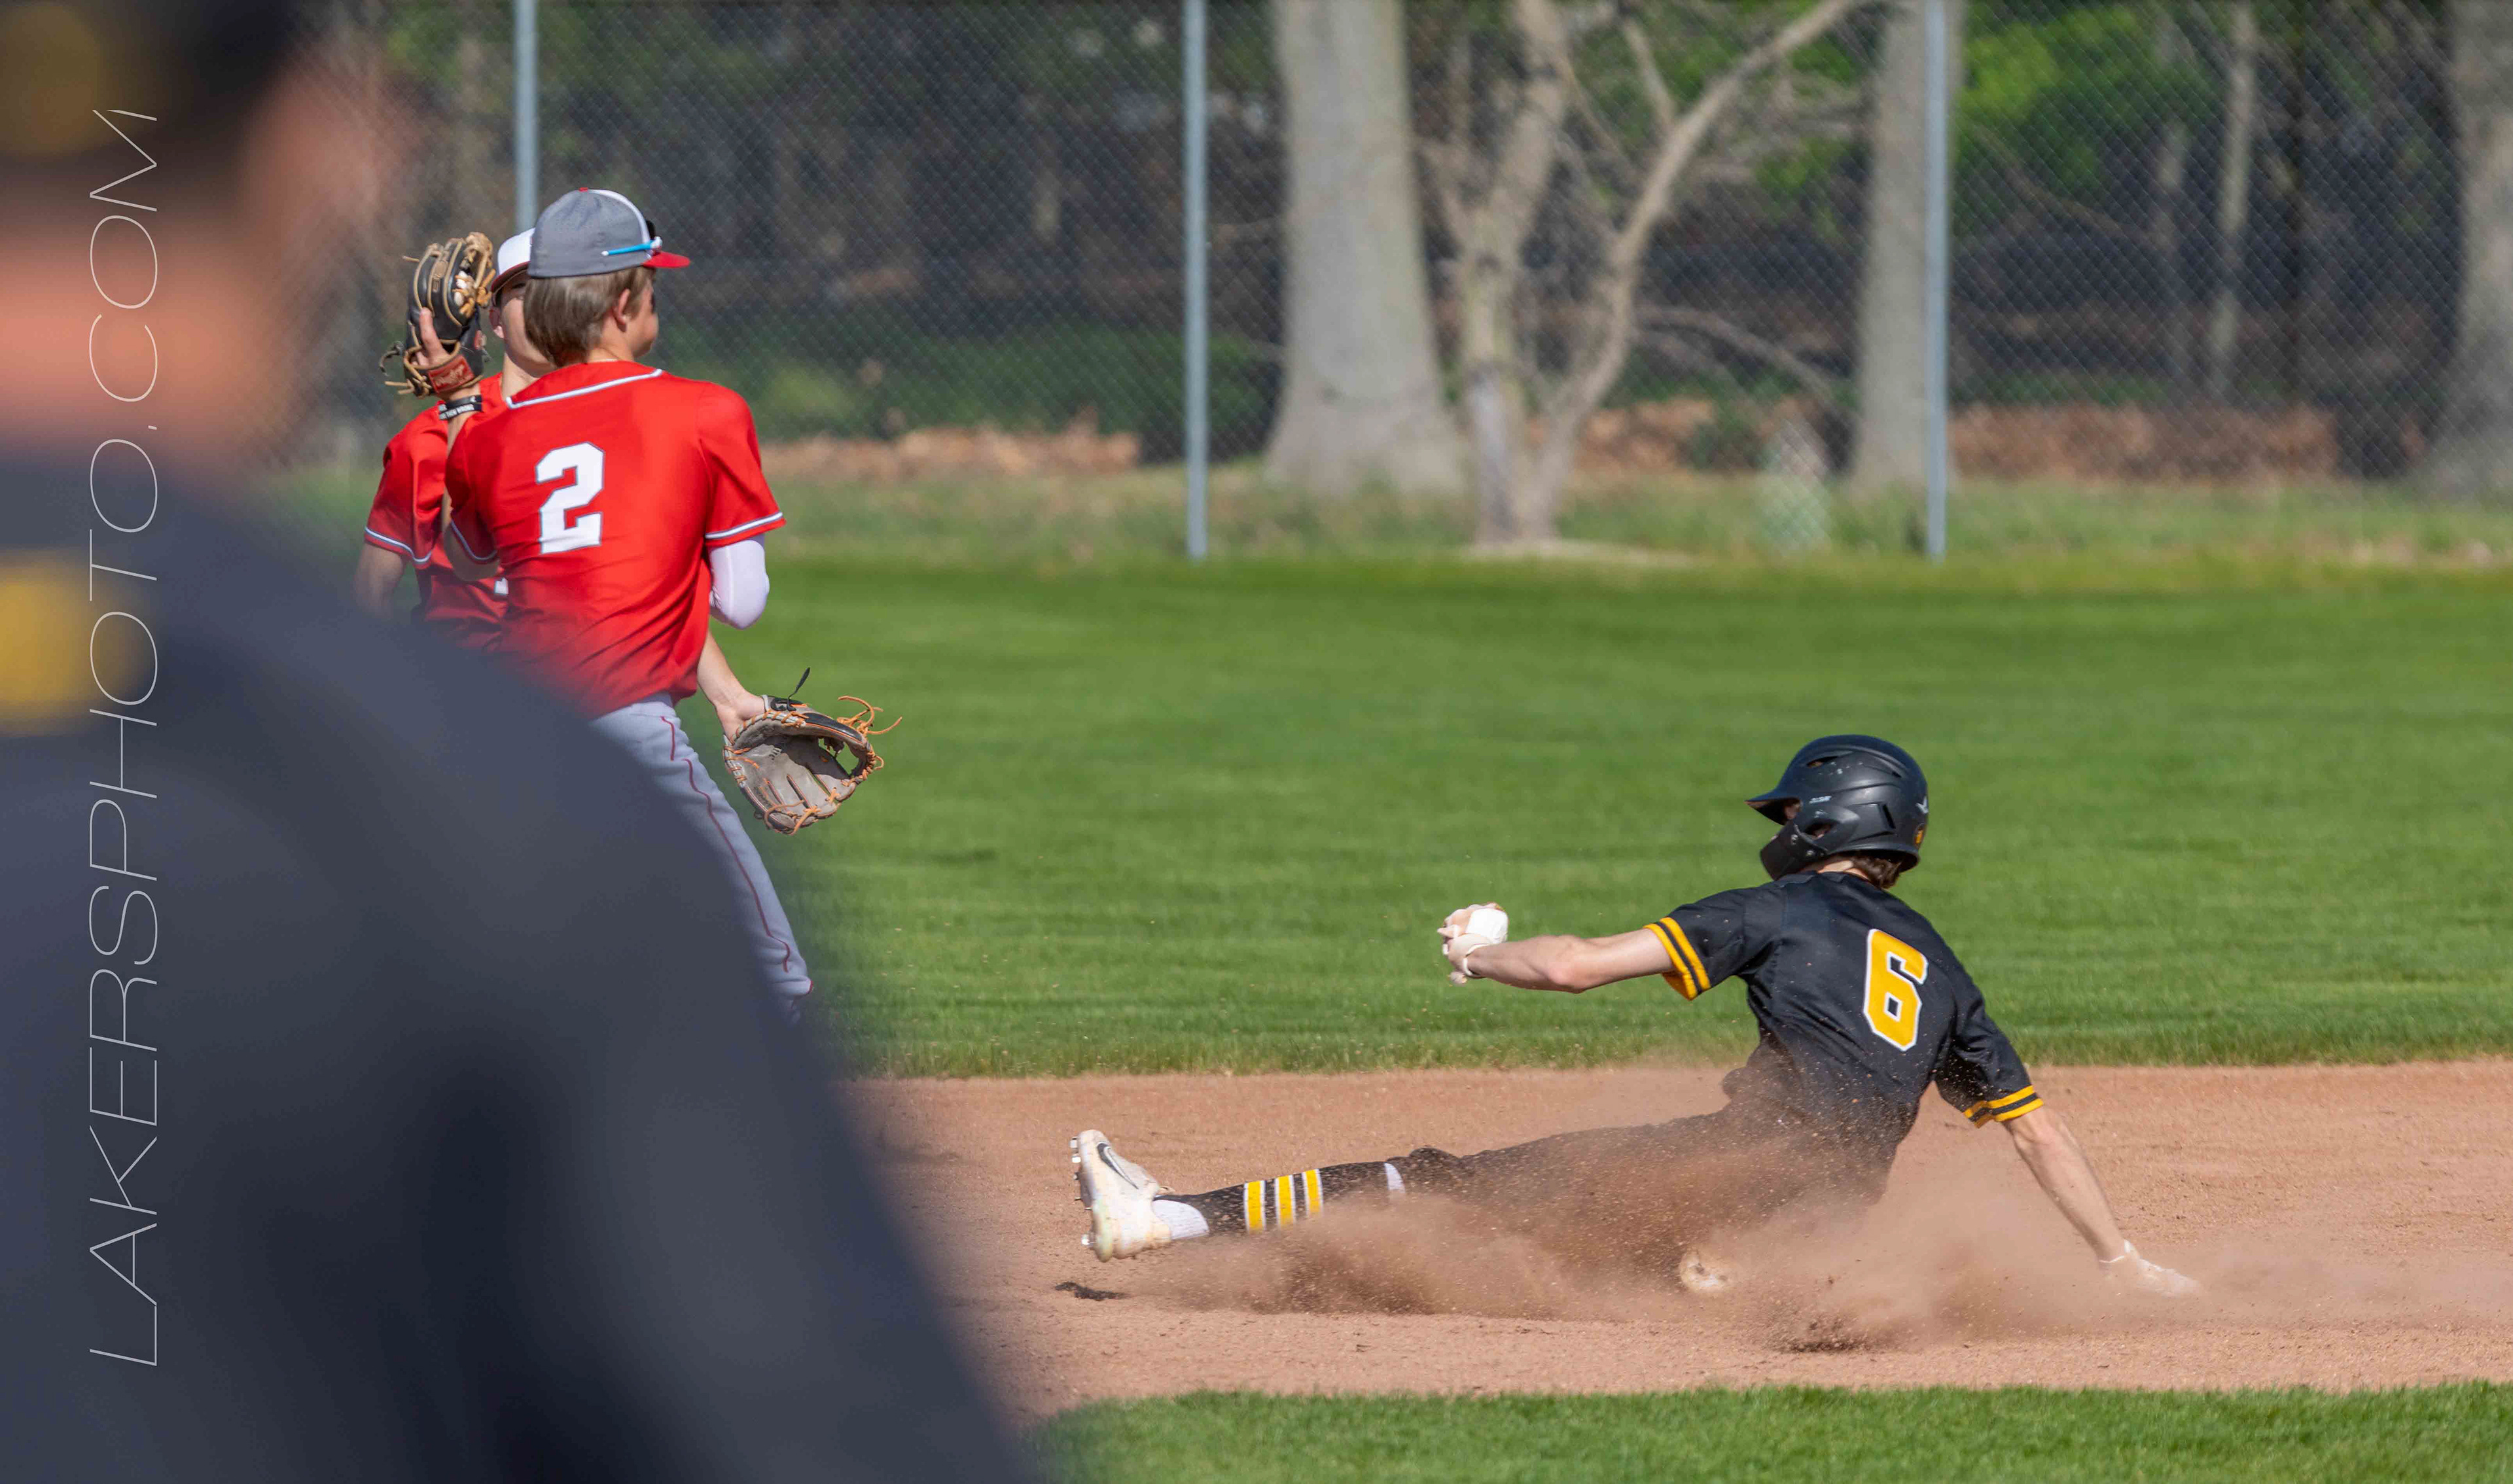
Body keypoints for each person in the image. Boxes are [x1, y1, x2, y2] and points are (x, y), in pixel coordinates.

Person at [1, 3, 1026, 1477]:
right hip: (580, 742)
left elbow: (481, 565)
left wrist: (713, 688)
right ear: (315, 159)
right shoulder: (490, 829)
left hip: (545, 689)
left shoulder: (473, 455)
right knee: (769, 976)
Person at [1070, 736, 2201, 1298]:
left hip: (1739, 1160)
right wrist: (2122, 1260)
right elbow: (2038, 1130)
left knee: (1439, 1181)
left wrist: (1479, 955)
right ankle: (1720, 1268)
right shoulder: (1943, 968)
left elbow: (1574, 968)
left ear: (1828, 821)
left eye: (1794, 813)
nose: (1782, 827)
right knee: (1596, 1249)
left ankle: (1163, 1221)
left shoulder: (1777, 909)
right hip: (1829, 1211)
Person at [437, 187, 814, 1008]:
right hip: (628, 729)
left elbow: (469, 561)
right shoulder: (705, 411)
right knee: (772, 970)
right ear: (620, 305)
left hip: (508, 728)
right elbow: (743, 602)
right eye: (651, 283)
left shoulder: (491, 438)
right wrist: (667, 550)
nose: (655, 297)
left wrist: (457, 399)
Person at [349, 228, 546, 643]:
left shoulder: (616, 421)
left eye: (560, 294)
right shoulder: (427, 439)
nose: (546, 309)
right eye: (527, 292)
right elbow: (371, 591)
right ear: (496, 320)